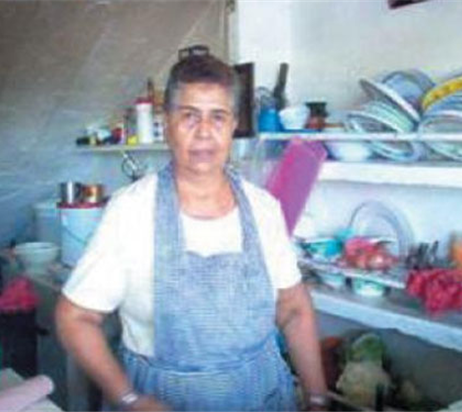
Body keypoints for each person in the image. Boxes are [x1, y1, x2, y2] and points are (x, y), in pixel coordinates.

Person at [55, 53, 328, 411]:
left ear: (233, 125)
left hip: (262, 396)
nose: (204, 132)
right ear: (167, 123)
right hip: (162, 398)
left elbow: (293, 309)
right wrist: (129, 398)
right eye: (189, 116)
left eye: (218, 116)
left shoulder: (263, 209)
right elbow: (75, 317)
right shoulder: (131, 211)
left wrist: (318, 397)